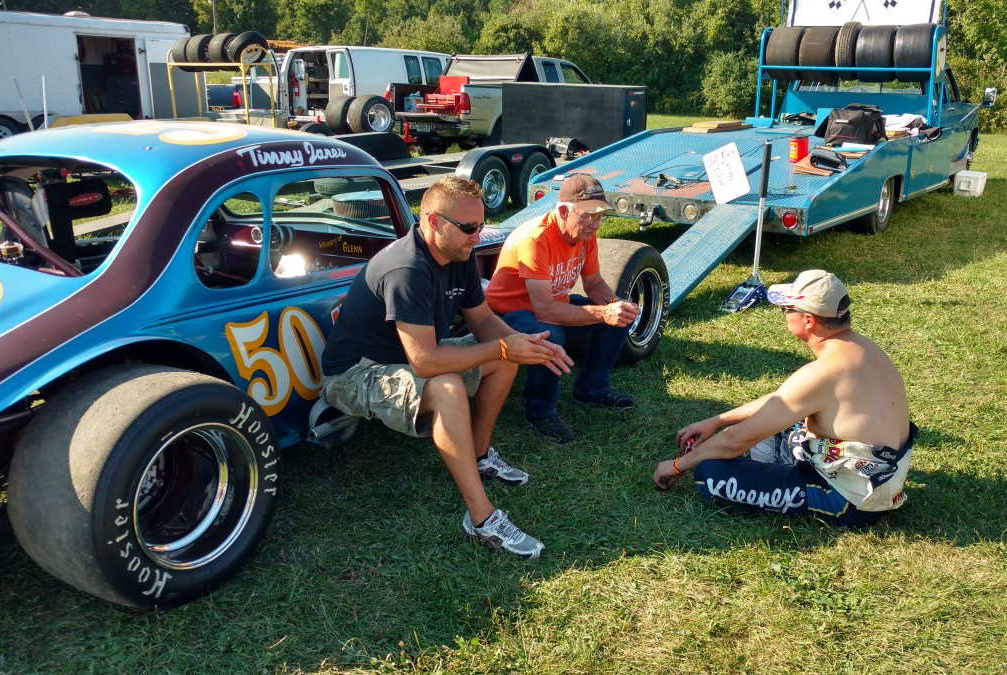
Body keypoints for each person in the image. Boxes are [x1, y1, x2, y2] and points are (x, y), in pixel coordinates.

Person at [319, 176, 573, 558]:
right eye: (469, 228)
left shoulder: (459, 254)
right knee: (448, 386)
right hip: (353, 374)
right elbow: (426, 362)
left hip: (407, 357)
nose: (477, 237)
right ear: (434, 222)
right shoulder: (406, 268)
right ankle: (482, 520)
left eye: (481, 226)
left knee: (503, 358)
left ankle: (479, 455)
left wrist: (528, 344)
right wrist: (503, 346)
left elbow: (482, 320)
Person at [652, 269, 917, 527]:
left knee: (710, 474)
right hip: (878, 478)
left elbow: (733, 443)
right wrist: (718, 420)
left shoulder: (823, 373)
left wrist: (677, 465)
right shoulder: (865, 349)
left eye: (787, 309)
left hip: (850, 501)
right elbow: (784, 399)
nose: (785, 315)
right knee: (769, 426)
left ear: (808, 320)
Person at [485, 174, 642, 443]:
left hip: (550, 306)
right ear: (563, 212)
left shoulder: (584, 234)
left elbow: (593, 283)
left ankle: (592, 388)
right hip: (505, 314)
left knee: (617, 316)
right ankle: (540, 411)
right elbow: (545, 311)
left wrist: (617, 305)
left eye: (599, 216)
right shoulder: (535, 239)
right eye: (588, 216)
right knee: (551, 335)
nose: (595, 224)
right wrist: (603, 313)